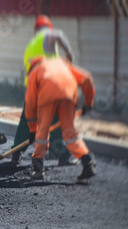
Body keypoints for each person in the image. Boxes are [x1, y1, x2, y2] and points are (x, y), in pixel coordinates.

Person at [11, 15, 75, 166]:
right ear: (48, 28)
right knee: (57, 121)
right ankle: (64, 155)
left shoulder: (31, 45)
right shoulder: (47, 35)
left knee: (26, 122)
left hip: (33, 89)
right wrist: (69, 55)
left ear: (35, 30)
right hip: (47, 88)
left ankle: (16, 152)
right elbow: (58, 35)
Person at [25, 56, 96, 181]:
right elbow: (86, 78)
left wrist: (32, 130)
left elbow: (30, 102)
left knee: (42, 132)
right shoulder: (62, 64)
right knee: (69, 132)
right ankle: (87, 160)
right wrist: (88, 103)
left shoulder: (35, 71)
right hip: (69, 95)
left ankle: (38, 171)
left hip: (47, 97)